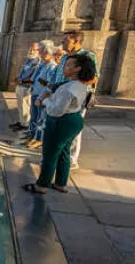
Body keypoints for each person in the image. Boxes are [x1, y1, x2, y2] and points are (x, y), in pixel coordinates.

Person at [23, 53, 97, 194]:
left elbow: (57, 110)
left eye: (69, 65)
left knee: (50, 154)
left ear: (78, 69)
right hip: (74, 119)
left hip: (61, 122)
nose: (65, 67)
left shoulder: (68, 88)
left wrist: (43, 101)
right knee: (64, 152)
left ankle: (42, 185)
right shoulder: (80, 86)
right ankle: (60, 183)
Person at [42, 31, 99, 168]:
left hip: (74, 98)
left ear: (77, 41)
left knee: (71, 130)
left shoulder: (87, 56)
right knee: (57, 127)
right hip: (59, 95)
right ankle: (58, 158)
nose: (62, 43)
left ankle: (71, 160)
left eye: (66, 40)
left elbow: (94, 77)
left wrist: (73, 87)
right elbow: (57, 75)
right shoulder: (64, 57)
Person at [23, 40, 56, 149]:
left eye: (41, 51)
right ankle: (32, 136)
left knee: (41, 119)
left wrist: (41, 98)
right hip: (35, 92)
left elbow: (49, 85)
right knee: (34, 117)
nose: (40, 53)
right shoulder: (42, 64)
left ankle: (39, 139)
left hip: (41, 96)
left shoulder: (52, 66)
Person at [9, 43, 40, 131]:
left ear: (38, 51)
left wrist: (21, 81)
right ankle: (21, 122)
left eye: (34, 49)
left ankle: (25, 124)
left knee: (25, 106)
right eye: (30, 48)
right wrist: (16, 79)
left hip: (26, 87)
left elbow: (33, 78)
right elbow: (22, 73)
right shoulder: (28, 60)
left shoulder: (37, 62)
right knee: (20, 105)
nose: (31, 51)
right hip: (20, 86)